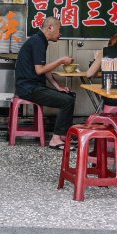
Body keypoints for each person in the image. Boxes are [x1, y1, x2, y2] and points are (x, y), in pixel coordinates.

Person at [14, 16, 75, 150]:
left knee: (70, 95)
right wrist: (60, 61)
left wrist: (57, 86)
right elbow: (40, 70)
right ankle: (55, 139)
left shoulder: (40, 40)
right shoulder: (38, 41)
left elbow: (43, 67)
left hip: (33, 86)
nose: (60, 33)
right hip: (28, 88)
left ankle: (64, 135)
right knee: (67, 101)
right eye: (59, 29)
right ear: (50, 28)